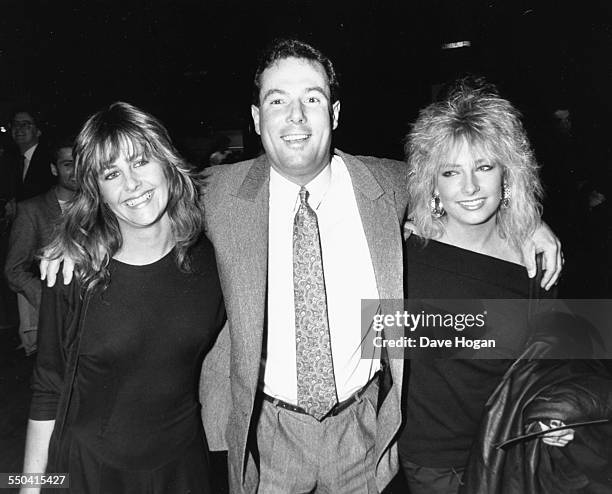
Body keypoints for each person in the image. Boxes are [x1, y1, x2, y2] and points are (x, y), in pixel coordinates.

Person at [42, 40, 563, 494]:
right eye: (278, 101)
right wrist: (75, 237)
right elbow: (141, 197)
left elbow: (462, 183)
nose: (296, 117)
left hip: (367, 434)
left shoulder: (389, 184)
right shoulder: (217, 193)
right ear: (255, 119)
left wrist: (528, 222)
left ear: (334, 113)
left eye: (311, 99)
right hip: (266, 439)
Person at [22, 102, 225, 493]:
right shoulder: (73, 272)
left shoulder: (211, 260)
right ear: (96, 190)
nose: (131, 184)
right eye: (111, 173)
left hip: (183, 470)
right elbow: (47, 389)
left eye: (141, 161)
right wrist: (29, 488)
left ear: (167, 163)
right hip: (88, 473)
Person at [398, 79, 573, 494]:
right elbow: (373, 340)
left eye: (484, 167)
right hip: (435, 463)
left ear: (507, 175)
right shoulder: (402, 253)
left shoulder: (533, 258)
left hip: (516, 450)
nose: (471, 188)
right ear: (433, 183)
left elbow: (559, 352)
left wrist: (557, 410)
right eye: (451, 172)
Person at [5, 137, 78, 356]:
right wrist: (47, 300)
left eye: (81, 163)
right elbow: (14, 270)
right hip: (54, 322)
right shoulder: (32, 210)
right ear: (54, 169)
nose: (77, 170)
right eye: (68, 164)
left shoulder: (100, 207)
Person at [9, 108, 56, 201]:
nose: (18, 128)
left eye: (25, 124)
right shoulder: (8, 160)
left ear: (38, 131)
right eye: (15, 124)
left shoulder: (49, 159)